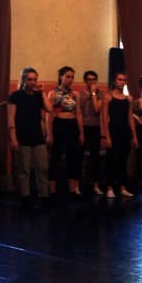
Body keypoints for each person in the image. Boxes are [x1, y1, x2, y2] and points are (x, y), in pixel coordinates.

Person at [8, 67, 52, 207]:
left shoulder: (38, 95)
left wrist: (42, 93)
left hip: (37, 135)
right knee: (24, 169)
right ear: (24, 80)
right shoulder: (15, 96)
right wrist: (13, 137)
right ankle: (25, 196)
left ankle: (44, 195)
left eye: (34, 79)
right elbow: (11, 118)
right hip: (22, 135)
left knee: (43, 167)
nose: (32, 82)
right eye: (29, 79)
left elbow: (49, 109)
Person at [47, 65, 84, 197]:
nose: (70, 79)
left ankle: (72, 190)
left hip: (72, 125)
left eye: (72, 77)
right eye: (67, 76)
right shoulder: (53, 93)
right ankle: (52, 191)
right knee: (55, 157)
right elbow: (49, 115)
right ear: (61, 77)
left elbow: (78, 113)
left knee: (73, 157)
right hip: (59, 125)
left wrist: (81, 132)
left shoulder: (75, 94)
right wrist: (49, 134)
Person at [101, 71, 137, 201]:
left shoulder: (128, 99)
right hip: (113, 131)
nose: (122, 82)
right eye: (119, 79)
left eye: (124, 80)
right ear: (115, 81)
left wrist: (134, 136)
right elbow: (105, 117)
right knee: (111, 160)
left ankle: (122, 188)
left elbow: (130, 118)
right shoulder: (108, 97)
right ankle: (109, 188)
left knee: (123, 161)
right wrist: (106, 136)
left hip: (125, 132)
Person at [79, 69, 104, 195]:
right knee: (80, 156)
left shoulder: (100, 94)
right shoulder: (80, 94)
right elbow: (79, 112)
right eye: (89, 80)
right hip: (83, 127)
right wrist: (81, 132)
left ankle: (95, 185)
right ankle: (79, 185)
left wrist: (93, 93)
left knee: (95, 157)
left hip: (95, 128)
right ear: (85, 81)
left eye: (93, 80)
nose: (91, 82)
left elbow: (97, 109)